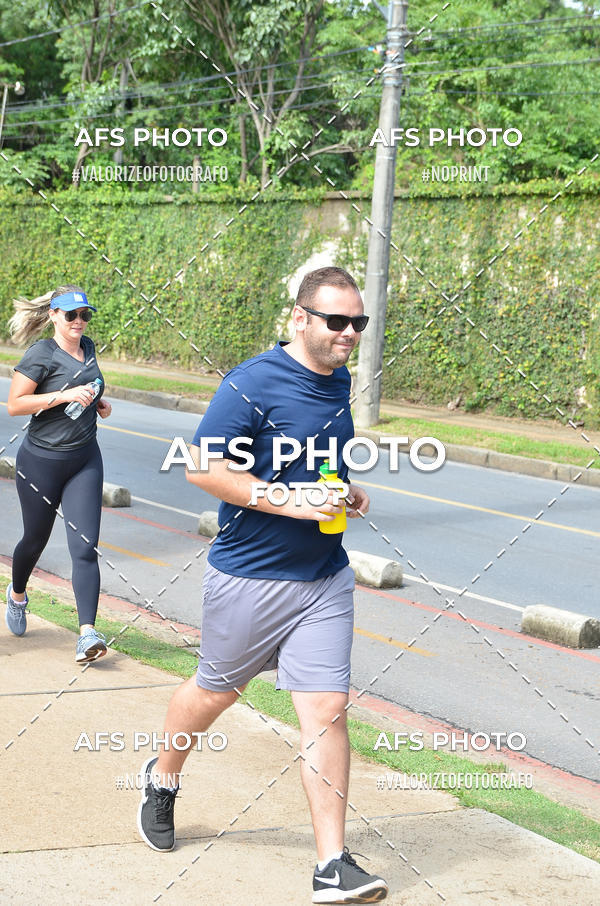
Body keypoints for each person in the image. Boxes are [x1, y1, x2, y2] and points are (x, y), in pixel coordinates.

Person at [138, 266, 389, 903]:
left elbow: (318, 462)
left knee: (327, 712)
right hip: (249, 578)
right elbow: (202, 468)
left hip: (324, 577)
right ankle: (162, 778)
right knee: (213, 693)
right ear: (300, 318)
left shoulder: (340, 381)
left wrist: (341, 492)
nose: (350, 334)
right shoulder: (249, 383)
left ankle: (333, 864)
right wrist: (290, 501)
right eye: (338, 321)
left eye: (357, 322)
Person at [5, 284, 112, 663]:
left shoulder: (90, 347)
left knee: (85, 548)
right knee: (35, 539)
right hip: (41, 462)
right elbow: (15, 405)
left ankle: (87, 634)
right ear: (53, 315)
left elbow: (89, 383)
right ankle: (17, 595)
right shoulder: (40, 354)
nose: (79, 322)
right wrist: (66, 396)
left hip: (84, 460)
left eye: (85, 315)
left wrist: (97, 401)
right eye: (71, 315)